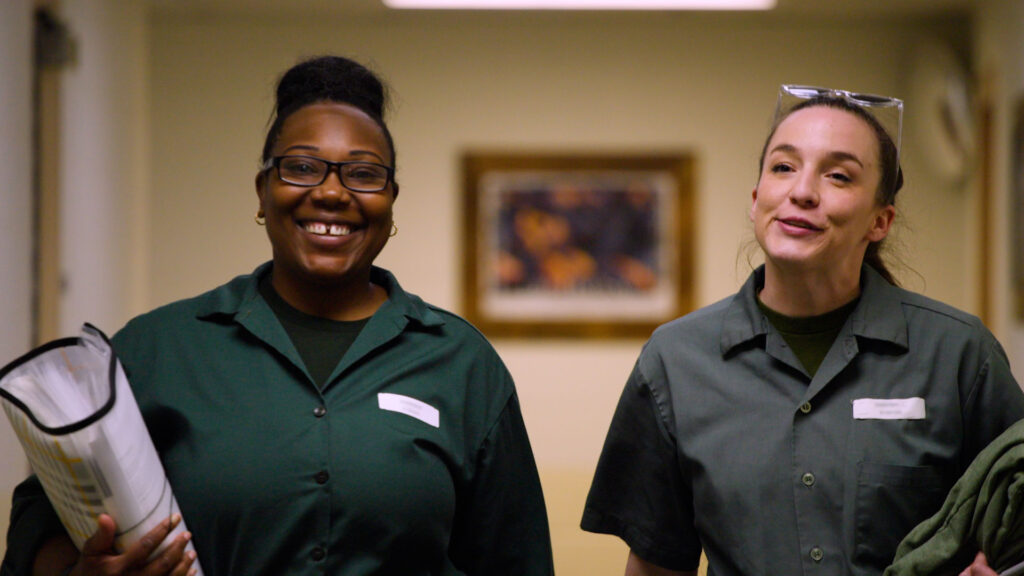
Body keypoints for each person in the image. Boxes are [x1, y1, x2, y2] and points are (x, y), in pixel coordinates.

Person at [2, 55, 554, 576]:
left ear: (391, 203)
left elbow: (516, 558)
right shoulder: (159, 349)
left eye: (363, 174)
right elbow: (38, 523)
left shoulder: (461, 363)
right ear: (263, 192)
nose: (333, 192)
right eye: (303, 168)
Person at [580, 84, 1024, 576]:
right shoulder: (676, 360)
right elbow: (656, 564)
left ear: (880, 220)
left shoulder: (959, 355)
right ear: (756, 201)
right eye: (784, 167)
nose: (802, 191)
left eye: (838, 175)